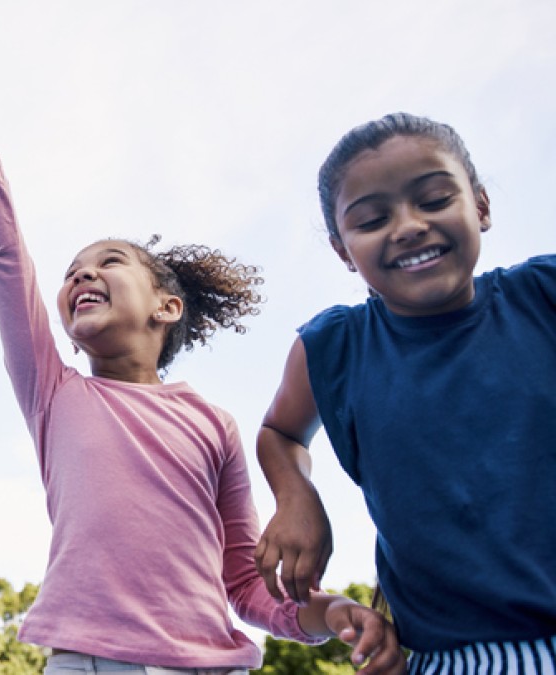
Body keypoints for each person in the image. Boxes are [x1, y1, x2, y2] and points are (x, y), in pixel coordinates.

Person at [0, 36, 404, 674]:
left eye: (108, 262)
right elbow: (5, 257)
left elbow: (246, 583)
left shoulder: (214, 425)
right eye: (72, 273)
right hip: (90, 661)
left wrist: (330, 612)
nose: (80, 276)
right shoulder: (55, 392)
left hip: (210, 663)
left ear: (166, 307)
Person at [254, 112, 556, 672]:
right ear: (343, 250)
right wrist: (296, 498)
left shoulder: (543, 295)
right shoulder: (334, 347)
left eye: (436, 199)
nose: (408, 226)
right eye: (372, 219)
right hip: (458, 655)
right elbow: (280, 431)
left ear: (481, 206)